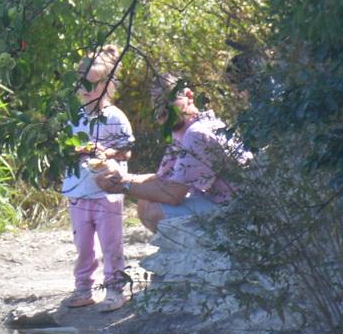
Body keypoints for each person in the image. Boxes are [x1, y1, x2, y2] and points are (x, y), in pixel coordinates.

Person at [93, 73, 248, 233]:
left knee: (153, 212)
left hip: (238, 209)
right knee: (146, 201)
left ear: (189, 96)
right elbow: (162, 180)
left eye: (169, 100)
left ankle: (195, 252)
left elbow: (173, 194)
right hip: (219, 199)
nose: (162, 109)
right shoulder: (183, 131)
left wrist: (123, 185)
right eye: (157, 103)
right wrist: (120, 178)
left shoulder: (197, 134)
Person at [61, 46, 132, 310]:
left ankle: (116, 289)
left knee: (111, 244)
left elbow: (127, 149)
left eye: (92, 85)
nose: (86, 90)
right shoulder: (73, 117)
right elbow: (64, 148)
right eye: (82, 84)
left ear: (107, 84)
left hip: (107, 191)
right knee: (83, 245)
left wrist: (104, 152)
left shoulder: (114, 117)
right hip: (78, 191)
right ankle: (83, 288)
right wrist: (74, 150)